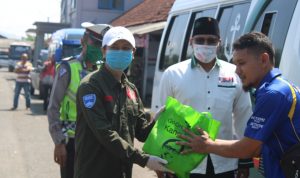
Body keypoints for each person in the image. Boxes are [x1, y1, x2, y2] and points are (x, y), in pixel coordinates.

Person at [177, 31, 300, 178]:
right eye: (235, 64)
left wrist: (207, 145)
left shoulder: (273, 94)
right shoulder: (281, 87)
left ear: (263, 59)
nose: (237, 71)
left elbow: (248, 148)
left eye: (242, 63)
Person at [158, 17, 253, 178]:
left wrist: (244, 162)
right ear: (191, 41)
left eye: (211, 40)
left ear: (219, 42)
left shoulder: (235, 74)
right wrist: (162, 164)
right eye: (200, 39)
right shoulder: (173, 74)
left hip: (224, 163)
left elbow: (244, 118)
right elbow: (163, 121)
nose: (205, 44)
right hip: (183, 163)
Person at [74, 26, 172, 178]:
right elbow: (104, 133)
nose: (120, 52)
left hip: (123, 172)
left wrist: (157, 122)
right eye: (115, 47)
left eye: (126, 48)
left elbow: (141, 133)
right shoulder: (90, 86)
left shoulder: (131, 90)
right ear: (104, 51)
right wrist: (143, 159)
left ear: (133, 53)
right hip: (94, 172)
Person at [47, 22, 111, 178]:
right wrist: (59, 143)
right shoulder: (68, 68)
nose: (96, 47)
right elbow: (53, 107)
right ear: (83, 41)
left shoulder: (105, 72)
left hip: (97, 143)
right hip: (72, 143)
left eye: (100, 44)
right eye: (94, 42)